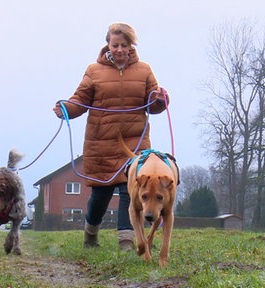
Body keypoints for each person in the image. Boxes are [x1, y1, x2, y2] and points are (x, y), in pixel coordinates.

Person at [53, 23, 170, 251]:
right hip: (101, 143)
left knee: (131, 192)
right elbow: (80, 100)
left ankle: (127, 241)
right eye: (115, 45)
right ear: (108, 44)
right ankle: (90, 235)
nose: (119, 49)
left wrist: (160, 99)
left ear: (131, 46)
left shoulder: (144, 70)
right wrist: (66, 109)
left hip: (134, 143)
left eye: (124, 45)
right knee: (100, 195)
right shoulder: (94, 70)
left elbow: (154, 105)